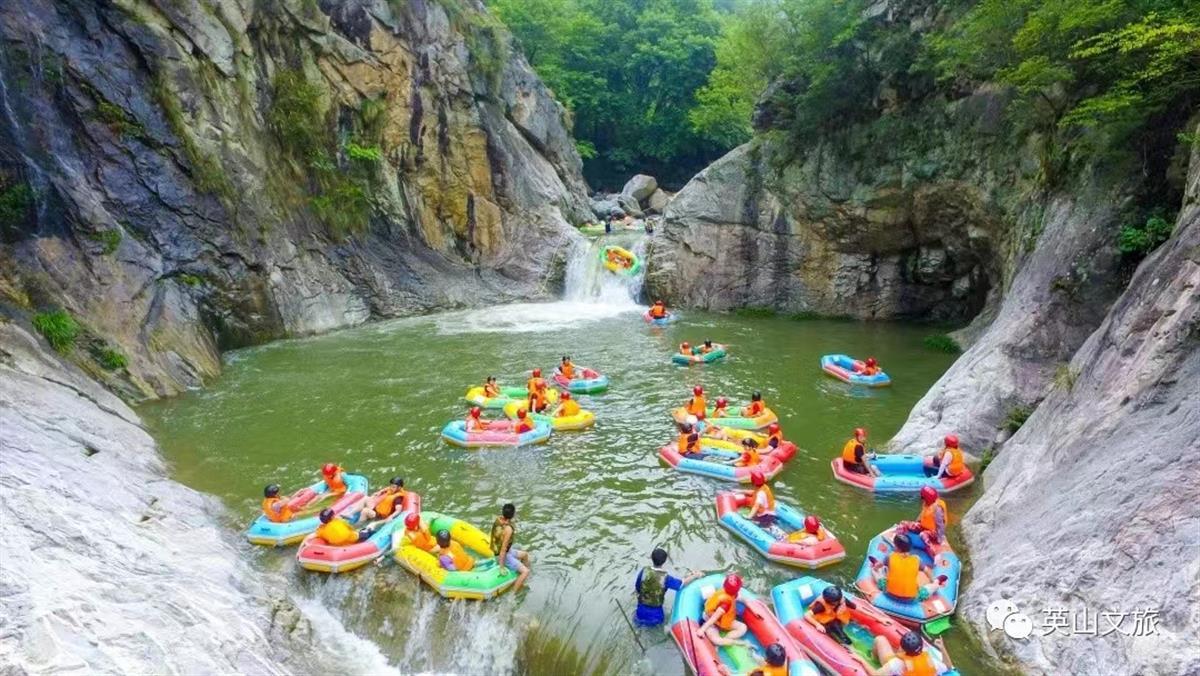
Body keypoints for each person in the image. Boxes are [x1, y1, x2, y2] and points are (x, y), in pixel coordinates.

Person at [633, 547, 701, 626]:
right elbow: (681, 584)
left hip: (640, 612)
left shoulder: (644, 571)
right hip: (656, 616)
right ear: (664, 561)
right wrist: (695, 576)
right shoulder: (665, 578)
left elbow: (637, 588)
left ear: (651, 558)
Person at [870, 533, 946, 601]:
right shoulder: (917, 559)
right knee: (933, 586)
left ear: (897, 547)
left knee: (875, 571)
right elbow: (927, 571)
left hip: (890, 593)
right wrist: (932, 580)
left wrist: (876, 567)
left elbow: (878, 567)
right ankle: (937, 582)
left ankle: (875, 567)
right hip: (911, 598)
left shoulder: (890, 556)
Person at [861, 631, 948, 676]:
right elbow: (948, 667)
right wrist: (942, 648)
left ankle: (873, 658)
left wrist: (861, 660)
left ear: (903, 649)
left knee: (880, 639)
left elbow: (875, 675)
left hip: (895, 670)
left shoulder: (897, 663)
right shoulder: (932, 662)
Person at [695, 573, 748, 646]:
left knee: (743, 627)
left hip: (724, 621)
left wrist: (752, 608)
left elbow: (741, 598)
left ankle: (728, 637)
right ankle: (737, 643)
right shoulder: (725, 604)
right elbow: (714, 618)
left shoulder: (729, 593)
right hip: (711, 623)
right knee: (717, 641)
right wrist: (702, 630)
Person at [492, 503, 530, 591]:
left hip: (507, 552)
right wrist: (501, 567)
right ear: (513, 515)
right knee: (526, 571)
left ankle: (522, 579)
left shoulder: (498, 519)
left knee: (525, 555)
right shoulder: (508, 530)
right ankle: (514, 593)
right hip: (504, 556)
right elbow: (503, 549)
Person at [312, 508, 376, 546]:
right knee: (369, 531)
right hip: (353, 538)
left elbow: (314, 534)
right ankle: (370, 530)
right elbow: (351, 528)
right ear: (332, 517)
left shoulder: (321, 530)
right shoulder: (339, 521)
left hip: (339, 545)